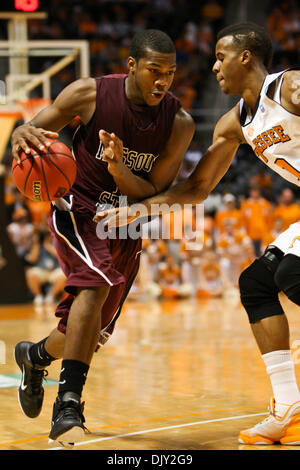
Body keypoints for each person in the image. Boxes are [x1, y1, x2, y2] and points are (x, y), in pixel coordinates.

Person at [96, 22, 300, 446]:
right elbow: (195, 188)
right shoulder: (233, 124)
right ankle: (288, 407)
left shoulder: (291, 88)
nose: (213, 67)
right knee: (256, 283)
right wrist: (134, 211)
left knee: (290, 276)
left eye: (221, 56)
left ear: (245, 56)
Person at [11, 29, 195, 446]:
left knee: (89, 336)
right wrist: (20, 133)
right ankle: (68, 406)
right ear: (131, 66)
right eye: (154, 71)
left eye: (170, 73)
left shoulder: (179, 123)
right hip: (78, 209)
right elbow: (32, 132)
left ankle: (34, 356)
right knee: (93, 289)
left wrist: (119, 170)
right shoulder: (88, 94)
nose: (163, 81)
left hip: (127, 223)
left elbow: (152, 193)